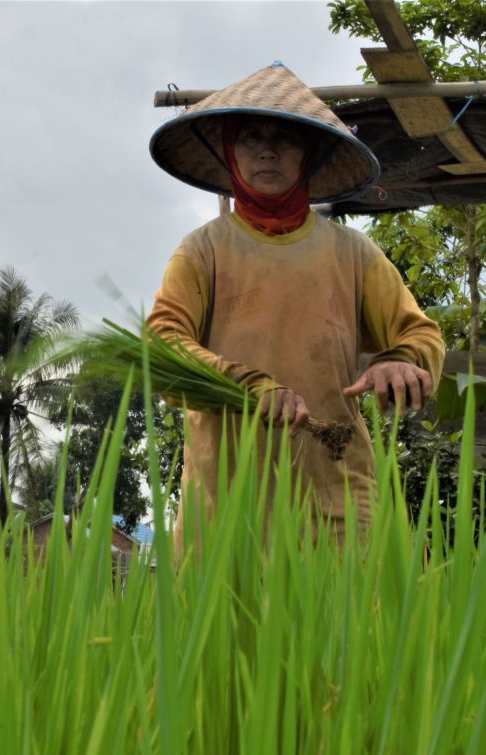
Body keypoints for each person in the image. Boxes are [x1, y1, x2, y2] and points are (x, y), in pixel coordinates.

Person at [145, 63, 445, 549]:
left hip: (336, 490)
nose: (267, 149)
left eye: (285, 137)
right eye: (251, 136)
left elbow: (420, 335)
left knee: (349, 620)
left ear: (309, 153)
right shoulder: (202, 251)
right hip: (227, 498)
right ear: (229, 150)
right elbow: (162, 348)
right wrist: (249, 386)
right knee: (223, 625)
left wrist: (401, 362)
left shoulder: (352, 252)